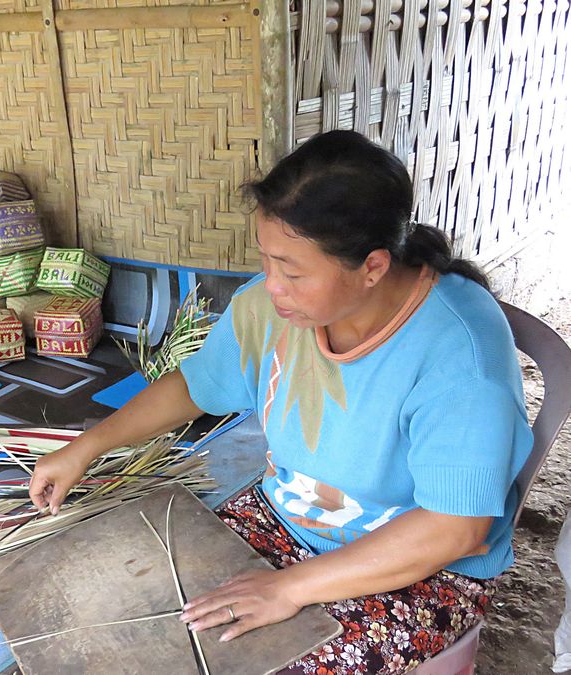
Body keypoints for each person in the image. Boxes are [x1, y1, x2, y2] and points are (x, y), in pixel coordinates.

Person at [28, 130, 533, 673]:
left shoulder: (460, 358)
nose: (271, 286)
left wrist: (290, 588)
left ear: (374, 267)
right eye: (267, 261)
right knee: (139, 601)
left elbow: (455, 527)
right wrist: (88, 446)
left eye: (292, 271)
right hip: (286, 519)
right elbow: (197, 385)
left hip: (422, 569)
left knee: (266, 662)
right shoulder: (272, 310)